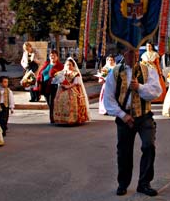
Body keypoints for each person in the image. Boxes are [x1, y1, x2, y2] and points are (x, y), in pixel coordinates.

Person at [103, 48, 162, 197]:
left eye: (135, 52)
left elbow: (156, 91)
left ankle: (144, 183)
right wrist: (123, 115)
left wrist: (139, 87)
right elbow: (108, 98)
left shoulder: (148, 69)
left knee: (149, 146)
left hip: (144, 116)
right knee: (124, 152)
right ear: (123, 53)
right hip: (124, 118)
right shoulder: (115, 72)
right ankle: (123, 183)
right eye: (129, 52)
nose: (133, 55)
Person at [53, 57, 90, 125]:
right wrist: (61, 84)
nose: (69, 66)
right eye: (67, 64)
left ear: (73, 65)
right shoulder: (62, 73)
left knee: (72, 102)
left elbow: (76, 83)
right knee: (60, 102)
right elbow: (59, 80)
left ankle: (73, 119)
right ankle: (62, 119)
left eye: (70, 64)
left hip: (72, 90)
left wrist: (68, 86)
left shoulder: (75, 73)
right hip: (62, 89)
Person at [37, 50, 64, 122]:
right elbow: (41, 73)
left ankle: (52, 118)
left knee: (52, 102)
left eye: (54, 55)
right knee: (49, 102)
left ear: (57, 57)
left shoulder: (60, 66)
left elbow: (62, 76)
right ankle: (54, 115)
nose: (52, 57)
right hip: (45, 86)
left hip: (53, 86)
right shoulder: (47, 64)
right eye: (51, 55)